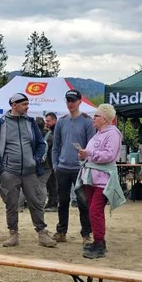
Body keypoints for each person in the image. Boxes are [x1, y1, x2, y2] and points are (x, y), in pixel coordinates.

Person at [0, 92, 57, 248]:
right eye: (24, 105)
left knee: (36, 202)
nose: (27, 107)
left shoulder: (30, 122)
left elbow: (41, 144)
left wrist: (35, 160)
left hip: (30, 171)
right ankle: (13, 234)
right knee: (11, 204)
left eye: (28, 104)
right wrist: (0, 169)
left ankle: (42, 233)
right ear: (14, 106)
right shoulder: (1, 123)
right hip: (9, 171)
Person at [76, 104, 127, 259]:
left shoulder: (113, 134)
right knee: (93, 210)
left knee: (95, 210)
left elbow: (109, 156)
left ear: (104, 119)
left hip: (103, 180)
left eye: (96, 116)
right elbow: (93, 153)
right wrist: (83, 155)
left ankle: (100, 243)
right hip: (92, 178)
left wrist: (89, 153)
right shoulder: (97, 134)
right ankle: (98, 240)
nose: (94, 118)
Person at [52, 89, 95, 244]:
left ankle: (86, 234)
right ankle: (61, 231)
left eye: (73, 100)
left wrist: (87, 165)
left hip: (80, 169)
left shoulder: (87, 121)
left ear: (79, 102)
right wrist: (56, 165)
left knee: (83, 202)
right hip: (63, 168)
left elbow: (91, 146)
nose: (70, 103)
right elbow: (55, 146)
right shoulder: (61, 121)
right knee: (62, 202)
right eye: (68, 101)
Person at [42, 112, 59, 210]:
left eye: (48, 121)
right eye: (46, 121)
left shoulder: (55, 132)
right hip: (49, 161)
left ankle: (53, 203)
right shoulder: (50, 131)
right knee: (49, 182)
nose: (46, 123)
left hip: (54, 161)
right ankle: (51, 202)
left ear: (54, 120)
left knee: (53, 182)